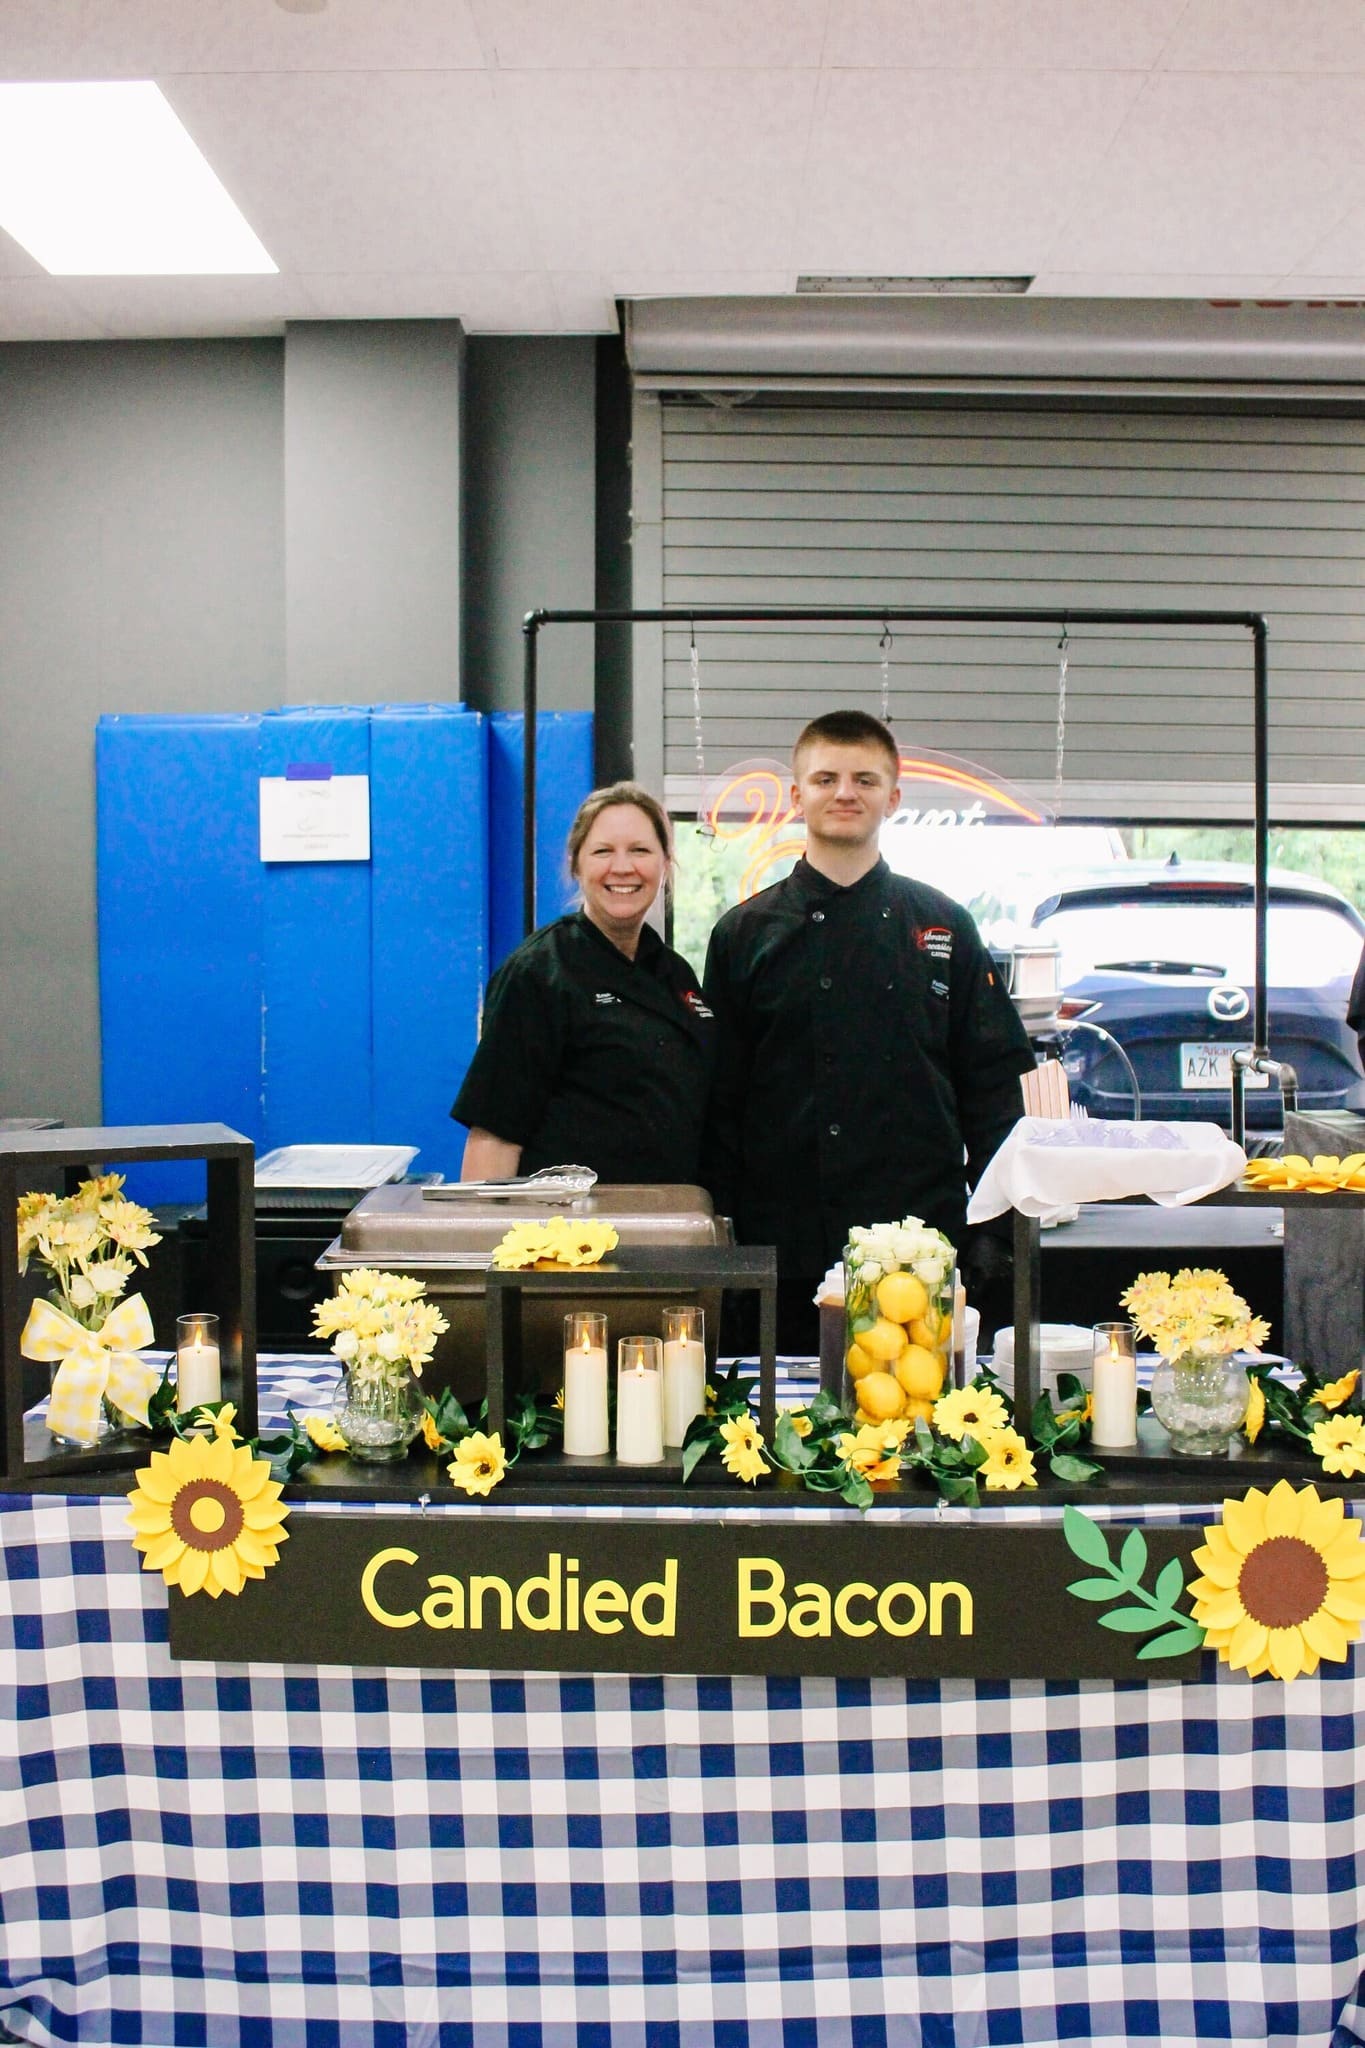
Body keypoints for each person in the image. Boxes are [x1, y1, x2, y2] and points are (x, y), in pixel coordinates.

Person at [702, 709, 1034, 1350]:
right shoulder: (743, 934)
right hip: (786, 1246)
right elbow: (721, 1104)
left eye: (865, 779)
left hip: (922, 1242)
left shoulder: (944, 925)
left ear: (894, 797)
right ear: (797, 796)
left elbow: (994, 1092)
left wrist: (997, 1229)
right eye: (825, 779)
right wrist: (724, 1234)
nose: (845, 793)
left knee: (925, 1436)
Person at [452, 782, 714, 1184]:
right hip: (567, 1232)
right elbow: (494, 1139)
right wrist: (484, 1242)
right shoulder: (537, 973)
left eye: (640, 850)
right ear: (576, 864)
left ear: (665, 863)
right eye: (603, 851)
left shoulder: (675, 973)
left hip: (669, 1222)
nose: (623, 867)